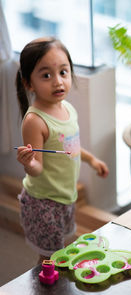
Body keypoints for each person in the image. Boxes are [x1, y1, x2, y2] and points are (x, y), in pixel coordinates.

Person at [15, 37, 109, 263]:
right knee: (48, 259)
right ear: (29, 83)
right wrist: (28, 163)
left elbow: (71, 147)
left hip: (66, 198)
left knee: (62, 251)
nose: (58, 81)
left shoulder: (67, 108)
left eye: (63, 72)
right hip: (43, 204)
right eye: (46, 75)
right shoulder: (35, 121)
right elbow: (37, 168)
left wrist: (91, 160)